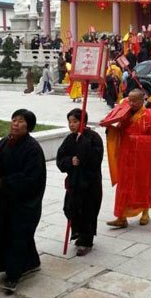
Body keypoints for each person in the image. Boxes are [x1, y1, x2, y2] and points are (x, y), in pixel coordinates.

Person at [0, 109, 46, 293]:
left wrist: (5, 183)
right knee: (11, 235)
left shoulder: (33, 149)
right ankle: (31, 262)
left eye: (21, 121)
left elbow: (32, 179)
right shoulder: (4, 142)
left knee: (18, 237)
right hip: (4, 201)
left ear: (28, 126)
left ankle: (13, 275)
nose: (15, 123)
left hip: (22, 203)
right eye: (14, 119)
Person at [105, 89, 151, 228]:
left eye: (134, 101)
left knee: (143, 184)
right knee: (124, 186)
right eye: (129, 100)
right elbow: (120, 130)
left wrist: (136, 139)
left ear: (142, 100)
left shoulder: (149, 117)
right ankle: (121, 217)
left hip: (143, 160)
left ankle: (145, 212)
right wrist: (110, 128)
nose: (130, 103)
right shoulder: (125, 114)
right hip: (126, 157)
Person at [56, 109, 103, 256]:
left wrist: (82, 144)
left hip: (90, 182)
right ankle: (78, 232)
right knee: (69, 208)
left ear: (83, 121)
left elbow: (96, 158)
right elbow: (60, 158)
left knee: (88, 211)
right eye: (70, 122)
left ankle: (86, 241)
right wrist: (70, 161)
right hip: (74, 181)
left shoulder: (93, 138)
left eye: (75, 121)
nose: (72, 125)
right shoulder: (70, 139)